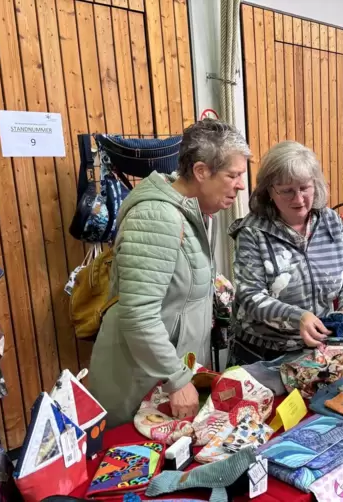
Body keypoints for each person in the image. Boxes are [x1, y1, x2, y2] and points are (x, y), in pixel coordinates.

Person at [90, 119, 250, 427]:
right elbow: (139, 314)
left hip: (167, 376)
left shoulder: (197, 210)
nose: (241, 184)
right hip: (139, 383)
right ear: (202, 172)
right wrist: (177, 378)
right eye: (233, 175)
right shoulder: (156, 217)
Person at [229, 140, 343, 364]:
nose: (299, 199)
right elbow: (250, 295)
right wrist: (297, 318)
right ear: (269, 191)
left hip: (318, 350)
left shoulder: (330, 221)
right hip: (263, 355)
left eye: (304, 188)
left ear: (316, 185)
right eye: (287, 191)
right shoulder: (252, 232)